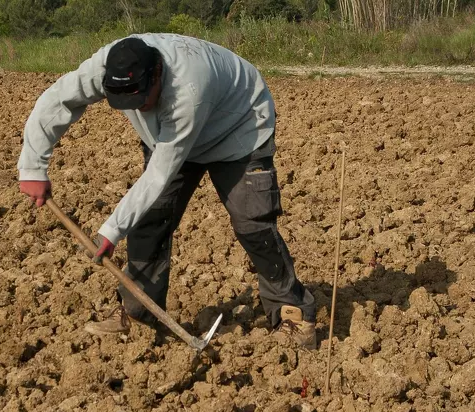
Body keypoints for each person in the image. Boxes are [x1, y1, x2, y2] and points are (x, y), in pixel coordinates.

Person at [17, 33, 317, 349]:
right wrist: (33, 166)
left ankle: (295, 314)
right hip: (169, 136)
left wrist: (110, 231)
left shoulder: (188, 89)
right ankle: (138, 316)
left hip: (238, 127)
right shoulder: (106, 66)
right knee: (149, 220)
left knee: (253, 224)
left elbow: (160, 172)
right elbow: (57, 99)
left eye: (142, 99)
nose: (139, 109)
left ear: (157, 74)